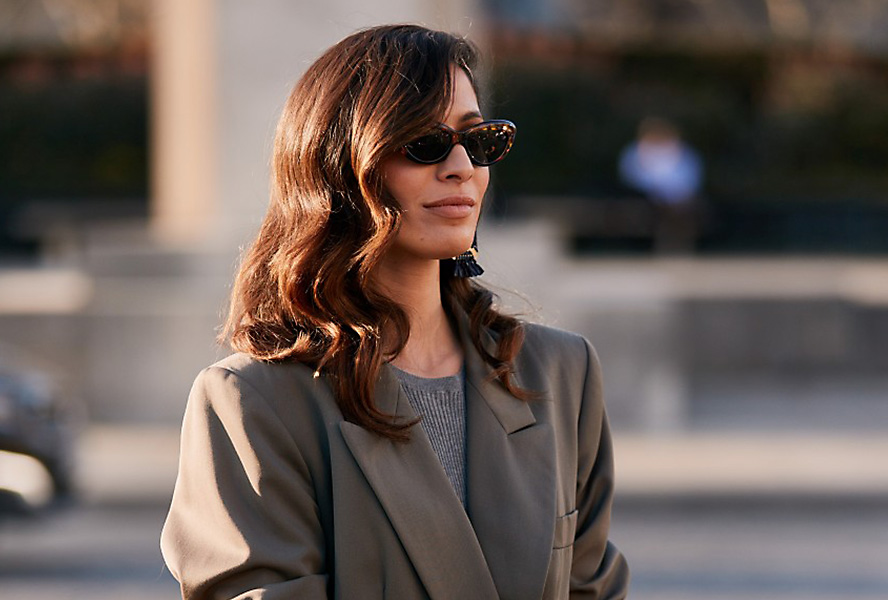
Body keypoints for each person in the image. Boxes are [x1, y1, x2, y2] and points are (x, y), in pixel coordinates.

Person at [161, 24, 629, 599]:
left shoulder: (560, 372)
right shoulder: (252, 401)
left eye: (478, 140)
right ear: (339, 167)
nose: (462, 167)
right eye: (424, 143)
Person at [619, 117, 703, 253]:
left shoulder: (683, 153)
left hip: (676, 198)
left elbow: (690, 179)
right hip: (644, 196)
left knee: (684, 206)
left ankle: (676, 245)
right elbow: (630, 177)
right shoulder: (635, 152)